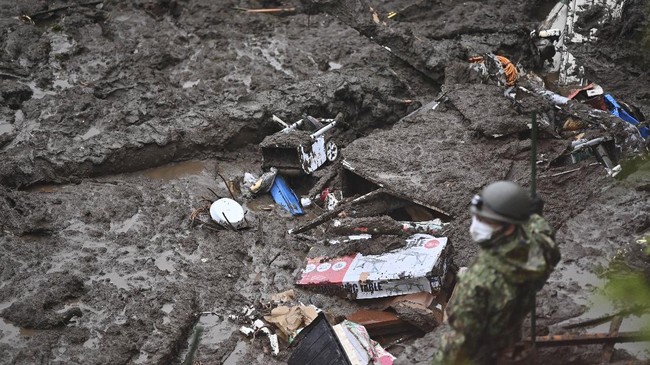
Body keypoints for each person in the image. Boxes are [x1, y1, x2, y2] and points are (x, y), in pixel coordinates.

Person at [432, 181, 560, 365]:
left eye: (487, 221)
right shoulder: (540, 246)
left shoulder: (480, 281)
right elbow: (543, 235)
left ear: (509, 226)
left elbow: (459, 343)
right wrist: (533, 217)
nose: (477, 224)